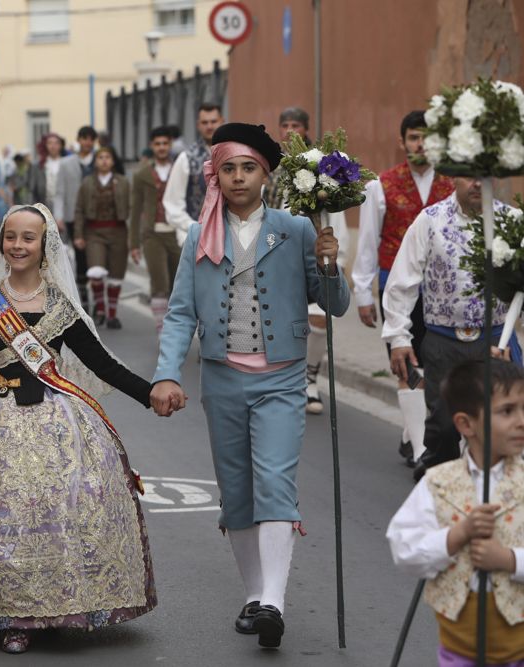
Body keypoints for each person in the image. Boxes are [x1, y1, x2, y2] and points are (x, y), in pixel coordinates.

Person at [0, 203, 156, 654]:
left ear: (45, 247)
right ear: (2, 243)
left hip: (55, 419)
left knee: (59, 511)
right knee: (2, 516)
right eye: (10, 236)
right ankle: (13, 615)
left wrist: (150, 392)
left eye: (28, 238)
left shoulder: (61, 307)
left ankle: (58, 604)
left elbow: (101, 364)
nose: (17, 245)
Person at [150, 123, 348, 650]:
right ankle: (256, 593)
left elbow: (335, 305)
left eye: (249, 168)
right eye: (229, 168)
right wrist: (167, 372)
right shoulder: (199, 234)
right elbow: (179, 315)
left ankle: (274, 603)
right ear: (216, 173)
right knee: (236, 493)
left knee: (275, 483)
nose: (238, 178)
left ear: (267, 174)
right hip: (221, 378)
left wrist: (330, 264)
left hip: (282, 378)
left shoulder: (298, 228)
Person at [386, 359, 524, 667]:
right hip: (459, 649)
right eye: (507, 411)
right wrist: (455, 536)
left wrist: (509, 560)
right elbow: (404, 549)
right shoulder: (439, 484)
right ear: (465, 424)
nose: (521, 421)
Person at [383, 177, 518, 475]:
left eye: (484, 175)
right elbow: (401, 282)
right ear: (454, 177)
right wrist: (399, 337)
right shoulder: (430, 220)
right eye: (469, 174)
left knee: (495, 427)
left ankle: (488, 500)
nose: (476, 183)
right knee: (444, 427)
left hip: (495, 343)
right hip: (444, 344)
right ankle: (438, 476)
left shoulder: (513, 222)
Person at [353, 111, 455, 469]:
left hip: (444, 291)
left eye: (426, 137)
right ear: (402, 142)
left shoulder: (454, 184)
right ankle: (419, 451)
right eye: (413, 137)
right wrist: (363, 293)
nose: (419, 144)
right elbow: (367, 242)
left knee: (437, 366)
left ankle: (412, 432)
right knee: (406, 364)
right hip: (396, 288)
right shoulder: (381, 185)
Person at [267, 107, 351, 415]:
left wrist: (334, 255)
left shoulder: (320, 166)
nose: (290, 131)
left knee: (319, 318)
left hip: (314, 252)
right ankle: (282, 378)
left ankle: (310, 377)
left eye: (296, 126)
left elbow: (335, 211)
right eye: (285, 125)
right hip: (278, 254)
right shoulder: (269, 168)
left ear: (306, 130)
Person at [74, 147, 130, 329]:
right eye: (100, 158)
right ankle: (100, 310)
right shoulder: (87, 183)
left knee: (116, 275)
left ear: (113, 161)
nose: (104, 160)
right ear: (96, 162)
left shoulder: (123, 182)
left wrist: (135, 239)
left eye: (108, 157)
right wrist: (78, 235)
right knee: (96, 272)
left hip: (118, 231)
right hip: (94, 231)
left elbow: (133, 208)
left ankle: (112, 315)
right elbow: (79, 210)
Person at [130, 126, 179, 332]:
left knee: (179, 285)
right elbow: (136, 209)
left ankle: (177, 329)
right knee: (159, 284)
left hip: (177, 233)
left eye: (165, 143)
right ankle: (163, 330)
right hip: (152, 234)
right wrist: (134, 244)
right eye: (157, 144)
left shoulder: (180, 169)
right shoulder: (141, 174)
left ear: (170, 145)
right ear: (152, 146)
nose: (161, 147)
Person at [162, 102, 223, 243]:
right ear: (198, 125)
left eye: (213, 121)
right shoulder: (186, 158)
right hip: (195, 239)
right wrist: (194, 228)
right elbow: (172, 203)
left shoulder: (235, 155)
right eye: (205, 122)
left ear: (222, 121)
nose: (209, 126)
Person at [58, 126, 99, 311]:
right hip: (74, 216)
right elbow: (60, 192)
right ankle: (84, 301)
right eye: (84, 138)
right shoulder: (66, 163)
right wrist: (58, 216)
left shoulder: (101, 160)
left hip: (97, 216)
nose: (87, 142)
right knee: (81, 258)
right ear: (78, 140)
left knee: (97, 258)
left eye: (91, 139)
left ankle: (99, 301)